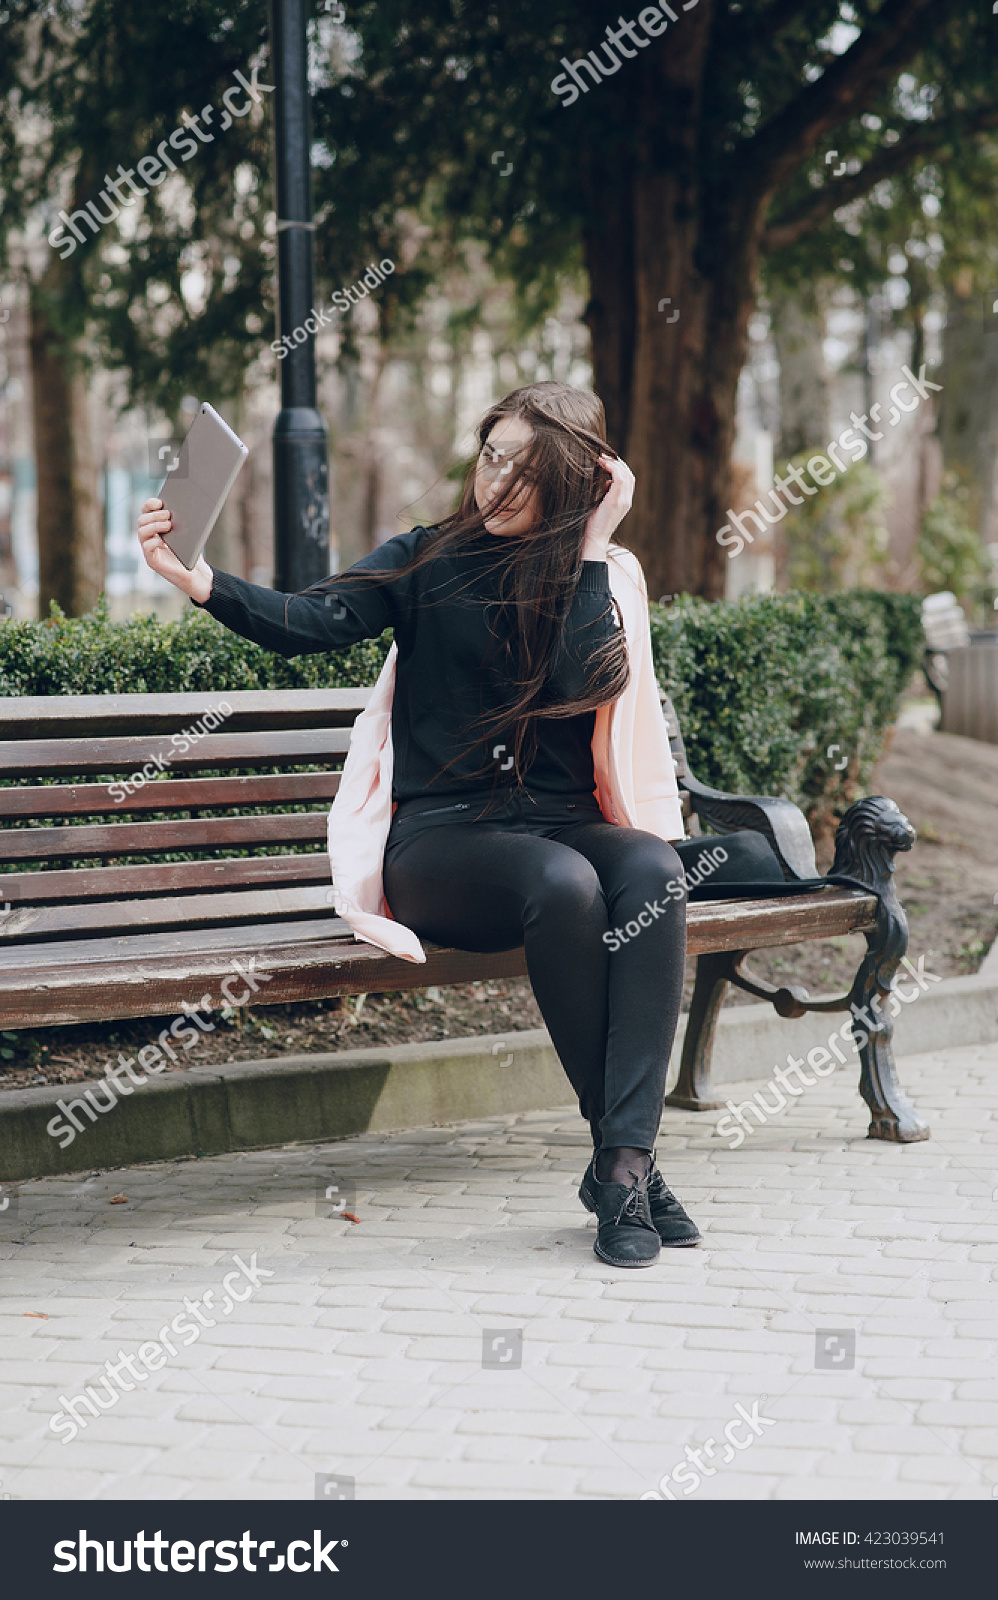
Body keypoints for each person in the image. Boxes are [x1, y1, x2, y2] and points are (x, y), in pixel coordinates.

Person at [138, 381, 704, 1268]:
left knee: (649, 870)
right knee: (564, 883)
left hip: (558, 824)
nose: (499, 486)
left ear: (581, 488)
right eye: (492, 457)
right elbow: (311, 620)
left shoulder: (597, 576)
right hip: (444, 847)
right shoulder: (427, 559)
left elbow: (584, 684)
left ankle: (623, 1166)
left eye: (529, 473)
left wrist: (592, 546)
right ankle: (627, 1162)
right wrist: (198, 580)